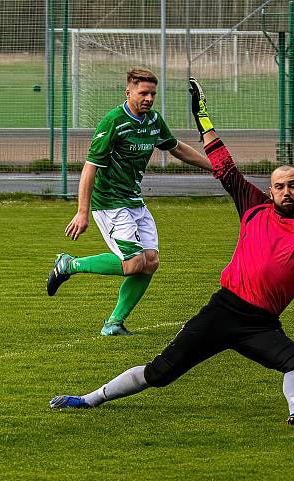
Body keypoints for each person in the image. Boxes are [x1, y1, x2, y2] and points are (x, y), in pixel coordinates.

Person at [49, 78, 294, 424]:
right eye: (280, 186)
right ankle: (88, 399)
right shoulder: (253, 204)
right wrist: (202, 115)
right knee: (159, 373)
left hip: (261, 325)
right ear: (270, 191)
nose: (287, 191)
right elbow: (223, 165)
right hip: (223, 311)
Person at [46, 67, 208, 336]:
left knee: (151, 262)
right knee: (133, 264)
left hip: (134, 202)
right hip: (109, 203)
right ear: (129, 91)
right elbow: (90, 167)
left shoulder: (154, 120)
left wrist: (212, 166)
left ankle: (114, 323)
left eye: (152, 93)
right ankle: (69, 264)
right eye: (143, 92)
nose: (148, 98)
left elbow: (176, 147)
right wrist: (82, 212)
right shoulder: (114, 121)